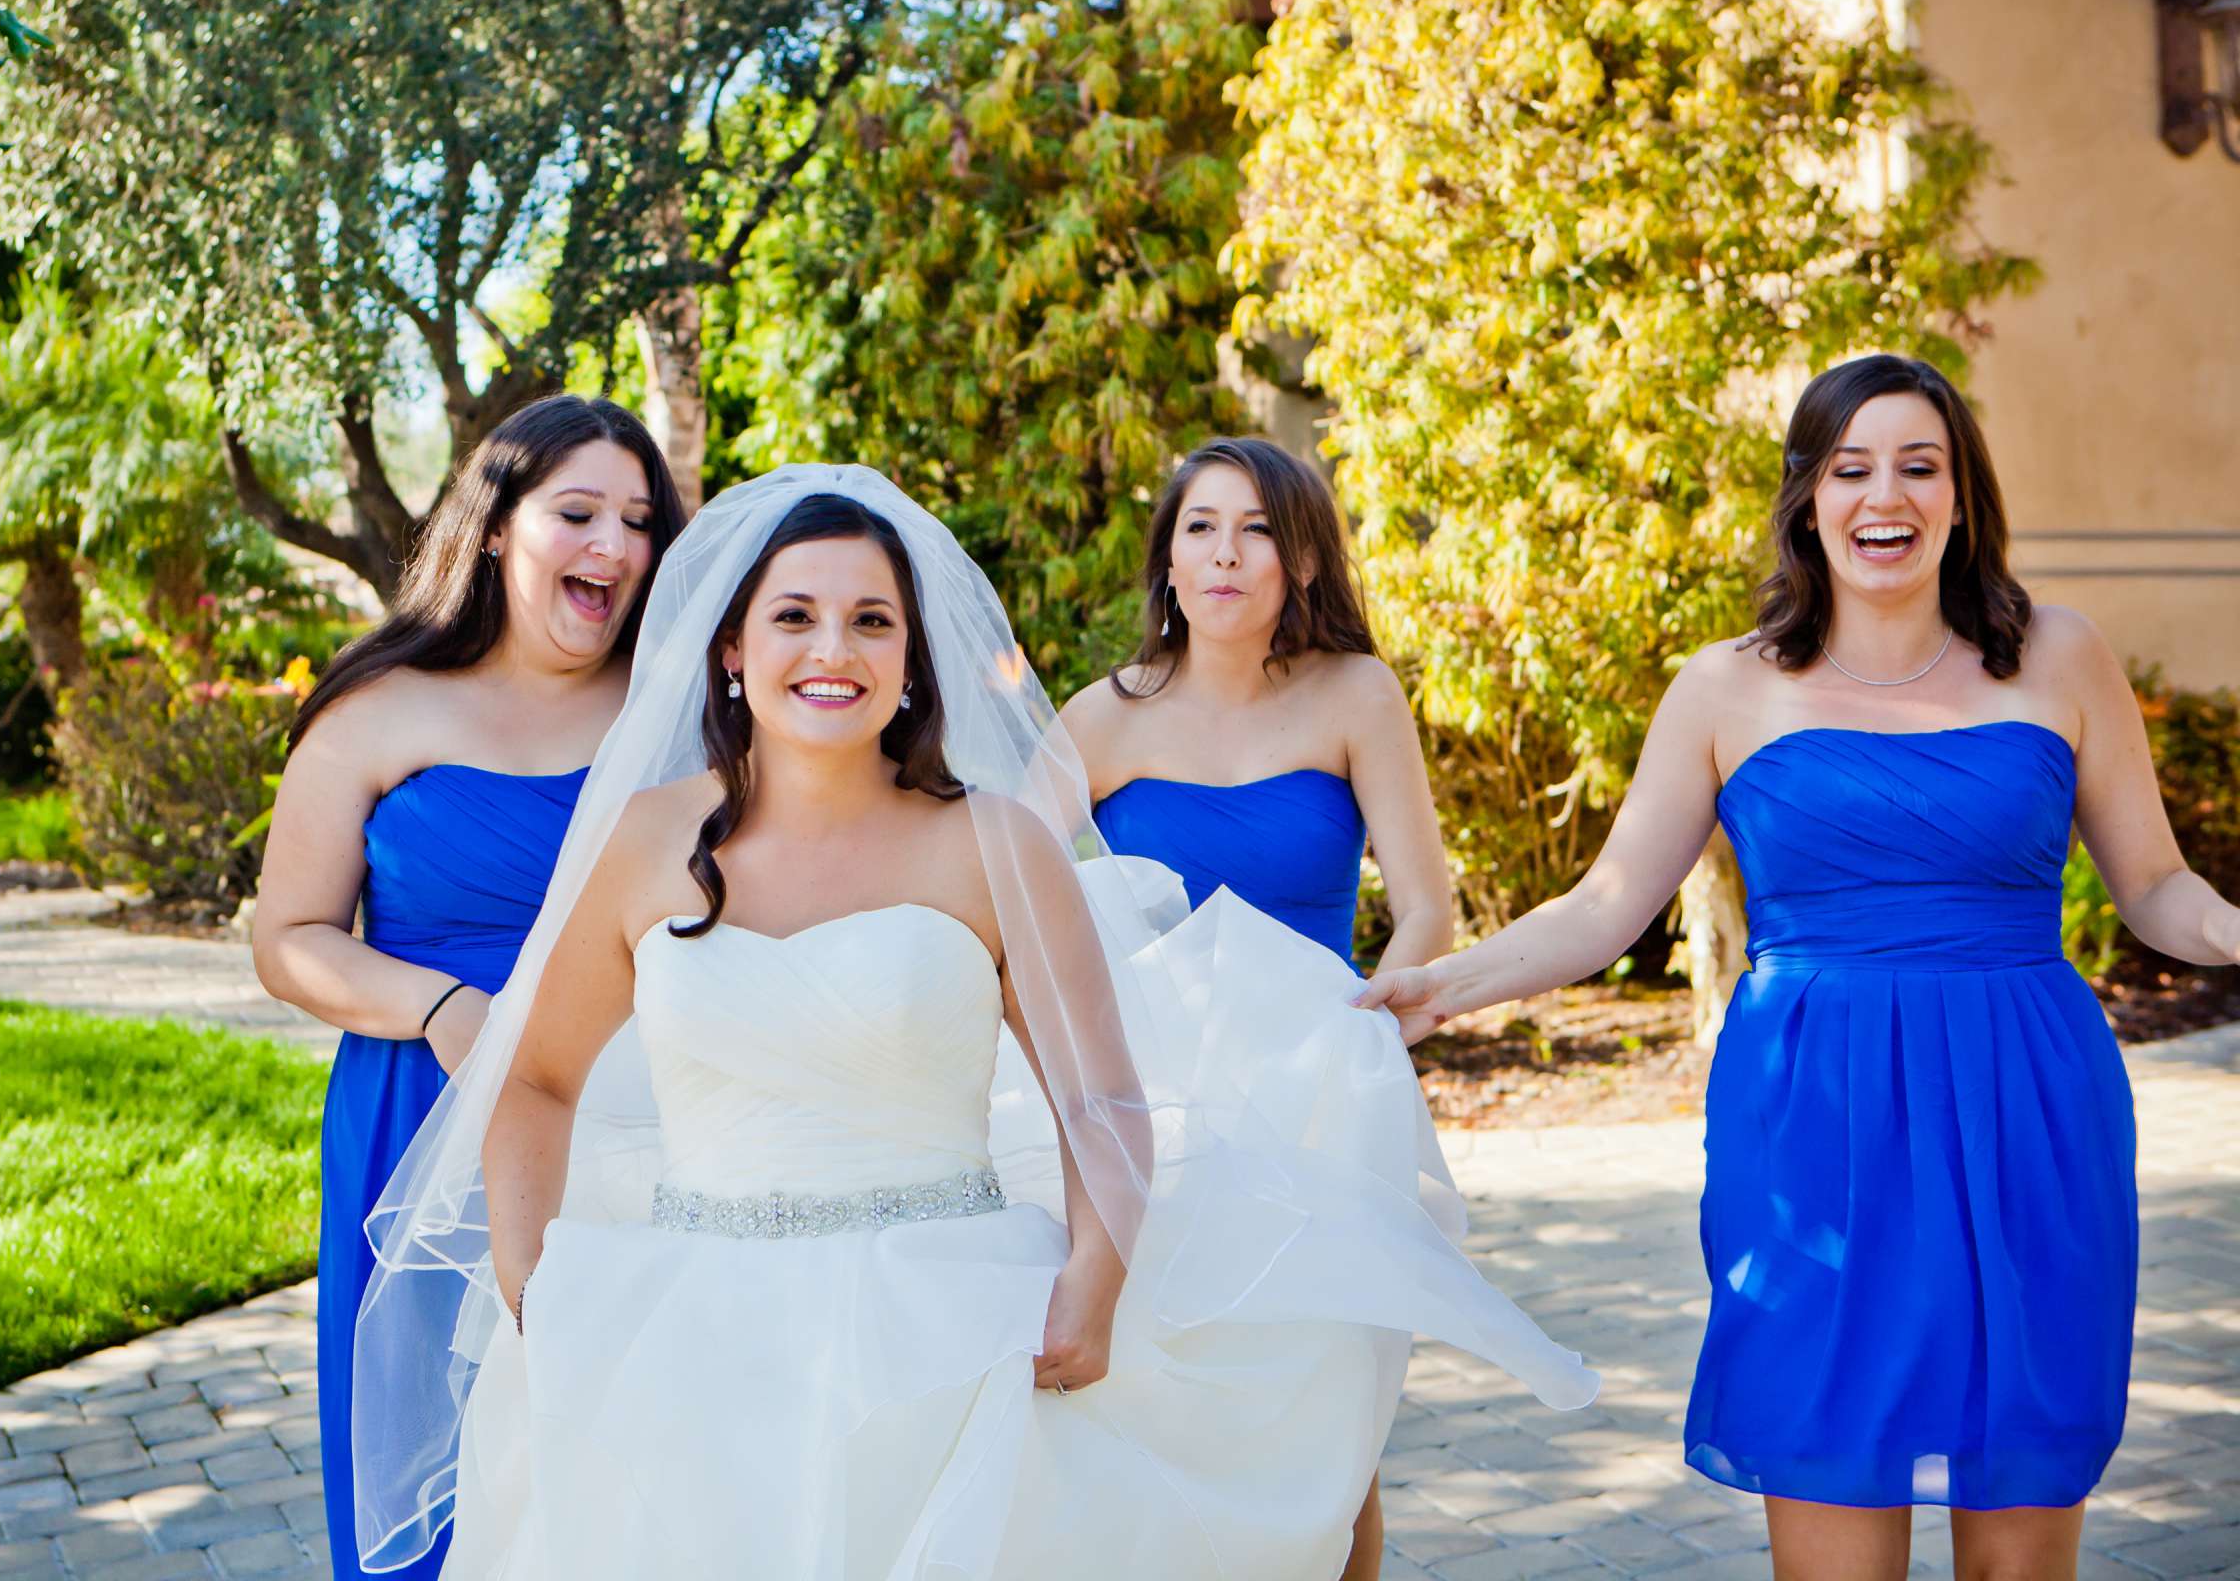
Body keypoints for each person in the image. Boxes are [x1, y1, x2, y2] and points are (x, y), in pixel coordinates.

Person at [350, 465, 1596, 1580]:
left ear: (910, 662)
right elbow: (541, 1083)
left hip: (950, 1333)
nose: (831, 646)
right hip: (693, 1335)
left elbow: (1097, 1099)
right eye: (794, 615)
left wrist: (1096, 1279)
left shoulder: (993, 842)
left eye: (870, 620)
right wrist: (539, 1288)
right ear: (732, 648)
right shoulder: (645, 842)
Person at [1357, 354, 2240, 1581]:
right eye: (1852, 468)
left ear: (1962, 495)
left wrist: (2232, 927)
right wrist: (1445, 985)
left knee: (2022, 1547)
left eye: (1920, 465)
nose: (1887, 495)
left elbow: (2153, 884)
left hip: (2029, 1111)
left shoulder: (2060, 656)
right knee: (1831, 1535)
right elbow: (1611, 900)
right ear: (1809, 500)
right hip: (1815, 1130)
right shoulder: (1728, 686)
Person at [251, 394, 683, 1581]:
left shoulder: (677, 715)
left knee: (618, 1461)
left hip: (632, 1114)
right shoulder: (379, 706)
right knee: (432, 1455)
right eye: (578, 512)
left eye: (639, 522)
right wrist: (442, 1009)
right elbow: (286, 936)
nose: (614, 547)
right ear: (497, 527)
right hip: (418, 1112)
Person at [1063, 436, 1456, 1577]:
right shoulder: (1105, 717)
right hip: (1156, 1119)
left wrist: (1376, 1026)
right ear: (1168, 561)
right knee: (1163, 1409)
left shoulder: (1354, 694)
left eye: (1256, 531)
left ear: (1299, 562)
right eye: (1201, 528)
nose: (1226, 554)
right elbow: (1001, 891)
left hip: (1320, 1108)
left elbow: (1426, 906)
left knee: (1331, 1430)